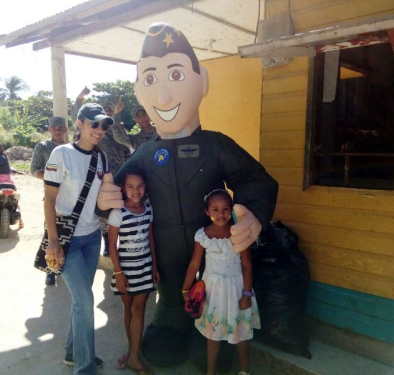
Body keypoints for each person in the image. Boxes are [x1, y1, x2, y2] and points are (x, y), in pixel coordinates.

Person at [97, 22, 278, 367]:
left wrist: (253, 213)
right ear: (138, 88)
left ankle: (209, 334)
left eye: (176, 75)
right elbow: (118, 193)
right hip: (163, 251)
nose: (163, 97)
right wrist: (104, 202)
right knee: (169, 308)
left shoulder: (216, 146)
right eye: (150, 79)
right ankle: (171, 322)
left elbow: (255, 180)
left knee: (211, 295)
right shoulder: (145, 154)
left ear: (203, 81)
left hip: (212, 249)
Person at [43, 103, 113, 374]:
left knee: (80, 300)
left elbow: (105, 196)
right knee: (85, 301)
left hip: (92, 236)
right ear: (80, 123)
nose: (100, 130)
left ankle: (73, 352)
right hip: (66, 238)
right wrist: (53, 240)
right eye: (94, 124)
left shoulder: (102, 158)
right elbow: (49, 200)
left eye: (104, 125)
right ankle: (84, 368)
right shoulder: (61, 154)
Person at [182, 189, 260, 375]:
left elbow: (247, 265)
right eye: (215, 209)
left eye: (225, 208)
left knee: (241, 332)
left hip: (237, 291)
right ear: (206, 212)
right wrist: (186, 288)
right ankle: (211, 372)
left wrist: (247, 294)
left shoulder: (239, 233)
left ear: (231, 210)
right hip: (212, 293)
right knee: (212, 334)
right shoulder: (203, 235)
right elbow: (194, 263)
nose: (221, 214)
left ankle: (244, 371)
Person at [108, 168, 159, 375]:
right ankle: (132, 353)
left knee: (138, 310)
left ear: (145, 188)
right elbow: (112, 245)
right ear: (123, 188)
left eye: (139, 186)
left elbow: (151, 239)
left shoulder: (148, 209)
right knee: (128, 311)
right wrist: (118, 273)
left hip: (144, 268)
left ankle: (135, 358)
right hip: (125, 270)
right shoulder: (117, 213)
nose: (135, 191)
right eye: (130, 186)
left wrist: (154, 265)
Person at [31, 116, 67, 286]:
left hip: (71, 197)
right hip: (52, 196)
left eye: (61, 127)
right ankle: (50, 269)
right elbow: (34, 170)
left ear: (65, 130)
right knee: (50, 233)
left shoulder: (71, 147)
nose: (58, 130)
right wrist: (53, 179)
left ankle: (64, 267)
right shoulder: (42, 147)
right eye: (54, 127)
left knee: (68, 233)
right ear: (49, 129)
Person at [98, 104, 131, 256]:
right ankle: (107, 244)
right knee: (104, 212)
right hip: (101, 177)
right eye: (105, 111)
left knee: (122, 208)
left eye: (110, 111)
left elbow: (126, 149)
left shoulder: (118, 128)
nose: (108, 113)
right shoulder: (98, 131)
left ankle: (124, 241)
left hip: (120, 175)